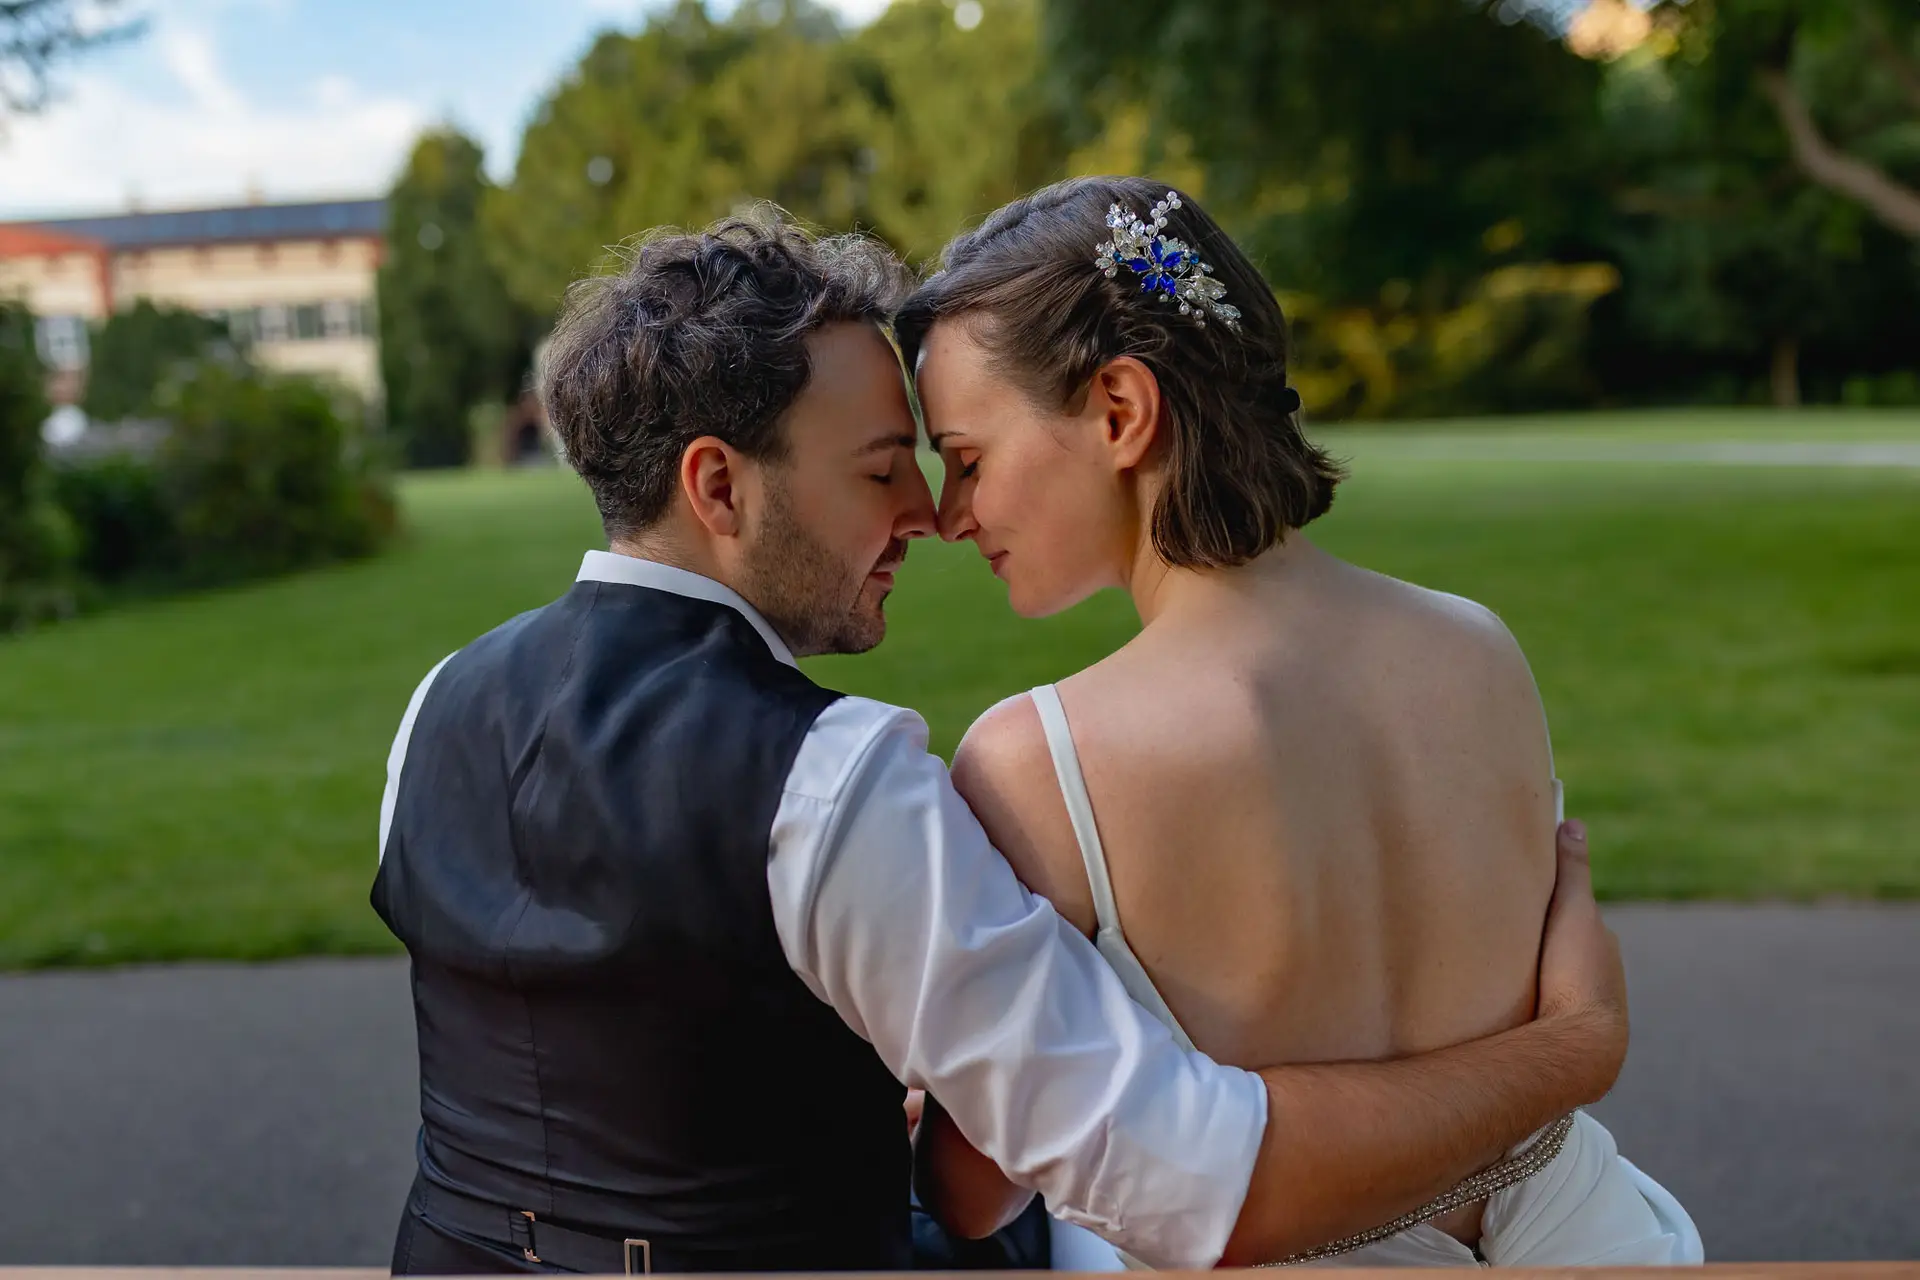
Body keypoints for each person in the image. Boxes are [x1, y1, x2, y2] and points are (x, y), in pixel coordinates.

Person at [371, 207, 1632, 1275]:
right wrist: (1570, 1050)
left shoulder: (437, 703)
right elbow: (1183, 1168)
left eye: (955, 458)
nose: (933, 510)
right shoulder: (830, 779)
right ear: (717, 489)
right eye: (889, 469)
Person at [897, 177, 1702, 1267]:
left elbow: (971, 1190)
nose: (949, 513)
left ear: (1122, 413)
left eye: (970, 457)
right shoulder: (1479, 647)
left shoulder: (1042, 759)